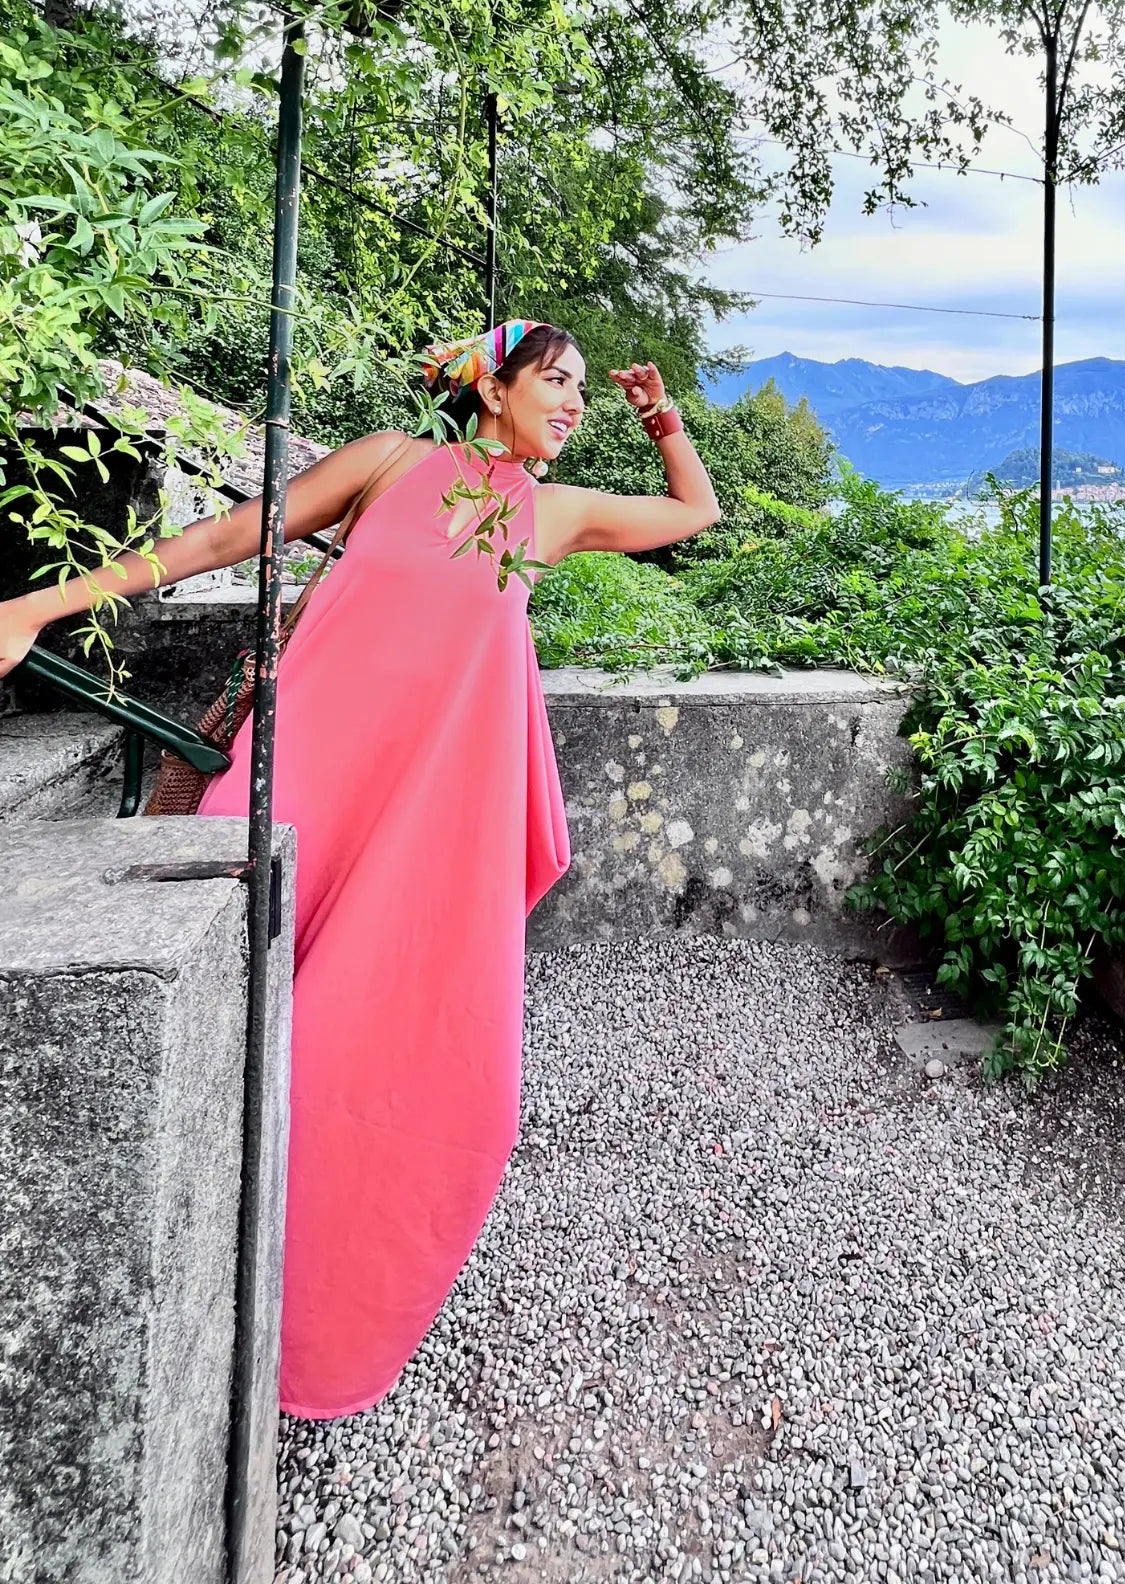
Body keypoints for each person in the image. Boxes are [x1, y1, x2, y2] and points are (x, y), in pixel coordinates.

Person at [0, 320, 721, 1418]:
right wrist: (41, 603)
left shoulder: (555, 511)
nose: (575, 402)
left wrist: (658, 414)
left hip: (423, 822)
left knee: (403, 1074)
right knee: (219, 1015)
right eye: (557, 380)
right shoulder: (388, 461)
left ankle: (303, 1334)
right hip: (299, 777)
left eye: (583, 387)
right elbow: (223, 538)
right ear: (494, 387)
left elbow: (694, 512)